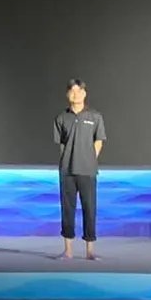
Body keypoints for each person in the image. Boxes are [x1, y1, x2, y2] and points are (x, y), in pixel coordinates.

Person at [52, 78, 105, 260]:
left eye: (78, 91)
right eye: (72, 91)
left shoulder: (95, 116)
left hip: (87, 170)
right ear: (67, 94)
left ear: (84, 93)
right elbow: (61, 144)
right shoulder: (61, 118)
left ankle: (90, 251)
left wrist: (89, 159)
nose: (75, 94)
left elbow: (98, 141)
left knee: (89, 209)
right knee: (67, 210)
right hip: (67, 170)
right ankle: (68, 251)